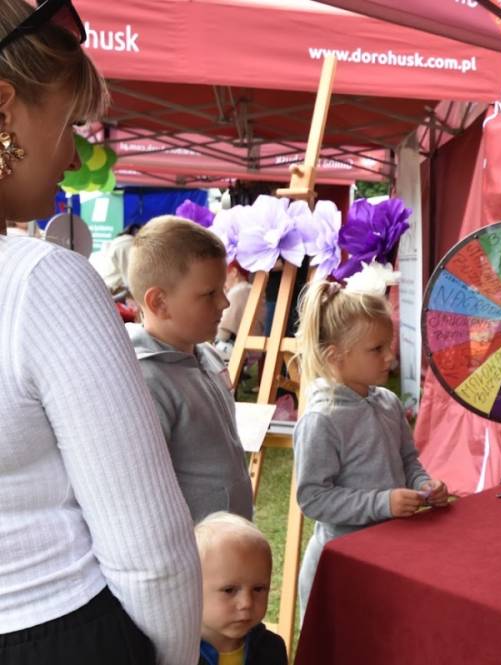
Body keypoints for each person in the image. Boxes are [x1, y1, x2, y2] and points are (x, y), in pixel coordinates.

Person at [0, 1, 201, 662]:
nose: (73, 153)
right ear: (4, 109)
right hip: (54, 627)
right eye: (68, 124)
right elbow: (151, 553)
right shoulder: (41, 282)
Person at [294, 265, 449, 619]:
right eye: (376, 349)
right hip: (343, 568)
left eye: (388, 345)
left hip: (391, 554)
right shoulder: (322, 419)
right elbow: (313, 498)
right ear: (335, 356)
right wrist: (383, 503)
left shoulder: (388, 402)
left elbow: (408, 460)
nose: (390, 357)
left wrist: (423, 485)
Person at [127, 215, 254, 522]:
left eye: (223, 289)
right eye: (209, 294)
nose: (224, 303)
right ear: (159, 302)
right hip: (192, 542)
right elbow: (143, 491)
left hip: (230, 535)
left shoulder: (208, 355)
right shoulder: (144, 381)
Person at [195, 512, 287, 665]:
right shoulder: (177, 653)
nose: (247, 603)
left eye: (258, 589)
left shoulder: (271, 649)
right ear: (193, 590)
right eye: (229, 590)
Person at [89, 222, 139, 300]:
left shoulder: (118, 242)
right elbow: (130, 281)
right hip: (112, 293)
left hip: (103, 290)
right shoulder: (127, 244)